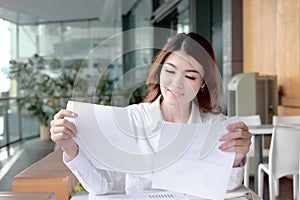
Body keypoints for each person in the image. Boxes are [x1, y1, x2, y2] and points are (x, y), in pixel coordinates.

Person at [50, 32, 251, 195]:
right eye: (170, 71)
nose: (176, 84)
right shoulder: (132, 120)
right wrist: (70, 148)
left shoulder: (215, 126)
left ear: (202, 84)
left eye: (190, 76)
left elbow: (227, 188)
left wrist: (236, 158)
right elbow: (100, 186)